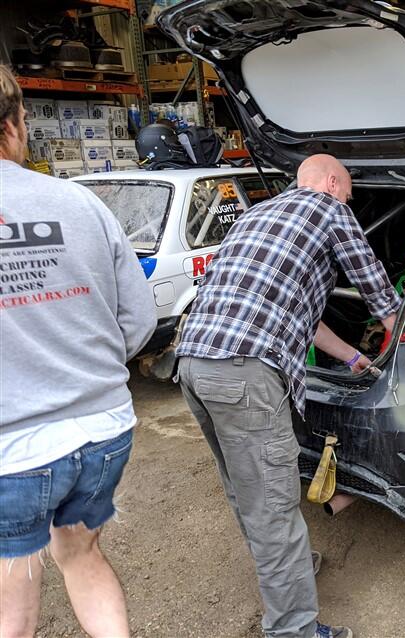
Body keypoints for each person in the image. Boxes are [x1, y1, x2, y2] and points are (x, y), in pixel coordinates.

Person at [175, 153, 400, 638]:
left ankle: (290, 574)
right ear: (334, 182)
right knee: (273, 506)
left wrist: (355, 359)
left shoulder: (259, 214)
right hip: (244, 374)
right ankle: (293, 629)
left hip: (193, 364)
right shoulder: (329, 207)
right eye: (350, 194)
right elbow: (376, 286)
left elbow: (300, 316)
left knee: (245, 487)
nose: (349, 202)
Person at [0, 66, 157, 638]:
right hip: (101, 430)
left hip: (10, 448)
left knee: (11, 584)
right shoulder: (82, 204)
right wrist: (84, 365)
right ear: (16, 125)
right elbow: (139, 321)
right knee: (81, 554)